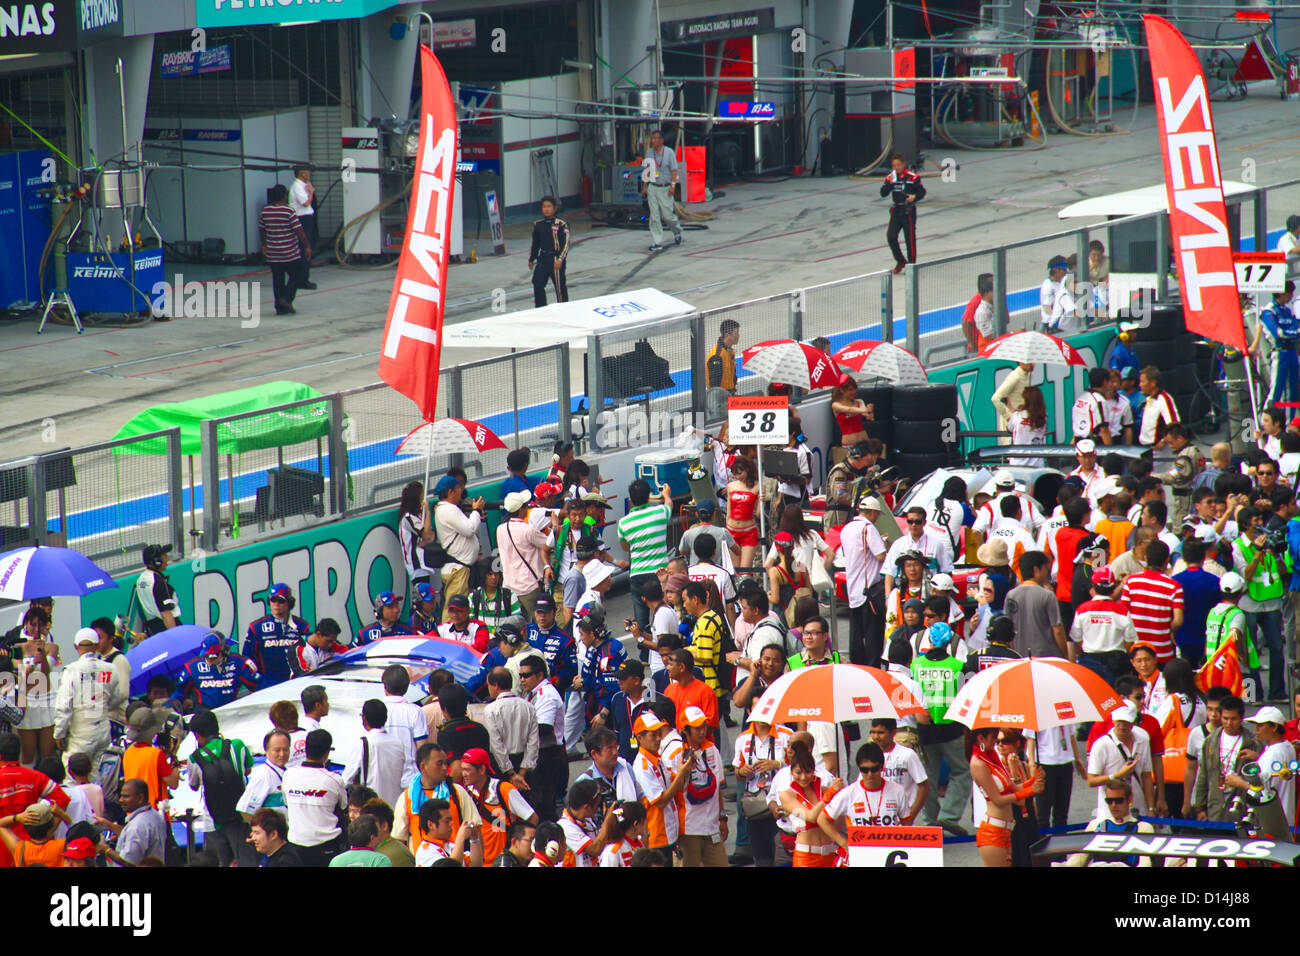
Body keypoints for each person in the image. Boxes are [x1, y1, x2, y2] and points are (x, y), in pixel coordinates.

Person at [911, 623, 970, 835]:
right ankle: (949, 816)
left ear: (929, 641)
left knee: (929, 777)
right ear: (949, 642)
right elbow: (967, 696)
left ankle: (929, 823)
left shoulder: (916, 665)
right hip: (951, 729)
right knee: (962, 772)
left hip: (924, 730)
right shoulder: (958, 666)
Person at [967, 727, 1045, 867]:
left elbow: (1012, 787)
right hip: (993, 831)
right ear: (981, 738)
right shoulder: (978, 763)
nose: (997, 741)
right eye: (994, 737)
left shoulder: (991, 756)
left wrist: (1034, 780)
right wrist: (1030, 790)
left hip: (1007, 828)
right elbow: (998, 800)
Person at [186, 709, 255, 867]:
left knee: (215, 863)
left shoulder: (194, 758)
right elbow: (248, 770)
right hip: (240, 818)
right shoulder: (237, 746)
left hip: (212, 821)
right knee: (247, 862)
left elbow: (194, 786)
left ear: (196, 735)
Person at [1232, 509, 1287, 700]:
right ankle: (1253, 695)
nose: (1260, 523)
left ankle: (1277, 692)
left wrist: (1277, 554)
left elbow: (1281, 571)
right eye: (1256, 520)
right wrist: (1257, 553)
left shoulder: (1268, 541)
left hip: (1271, 602)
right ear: (1246, 524)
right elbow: (1245, 574)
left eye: (1261, 519)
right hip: (1249, 603)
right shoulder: (1238, 546)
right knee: (1249, 651)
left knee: (1277, 648)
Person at [393, 741, 483, 853]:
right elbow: (399, 840)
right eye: (439, 763)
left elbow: (476, 829)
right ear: (423, 766)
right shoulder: (407, 798)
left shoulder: (457, 792)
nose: (445, 768)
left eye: (446, 763)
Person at [53, 628, 124, 765]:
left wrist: (59, 734)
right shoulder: (111, 668)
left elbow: (64, 706)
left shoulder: (71, 670)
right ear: (97, 646)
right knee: (101, 775)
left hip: (80, 735)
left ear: (75, 646)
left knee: (73, 776)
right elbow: (116, 699)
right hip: (103, 731)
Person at [459, 746, 537, 865]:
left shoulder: (504, 790)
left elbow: (532, 818)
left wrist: (518, 847)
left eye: (467, 769)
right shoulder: (467, 793)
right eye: (462, 769)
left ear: (481, 770)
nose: (463, 774)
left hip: (504, 862)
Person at [1064, 779, 1160, 867]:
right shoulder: (1096, 825)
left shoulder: (1142, 828)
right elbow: (1078, 859)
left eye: (1118, 801)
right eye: (1109, 801)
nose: (1113, 805)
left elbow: (1145, 863)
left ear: (1129, 799)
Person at [1190, 695, 1257, 822]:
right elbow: (1203, 774)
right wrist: (1200, 807)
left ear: (1241, 718)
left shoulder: (1252, 742)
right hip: (1215, 807)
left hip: (1241, 807)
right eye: (1225, 718)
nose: (1229, 723)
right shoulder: (1211, 741)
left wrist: (1257, 757)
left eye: (1233, 719)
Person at [840, 492, 888, 667]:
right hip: (870, 591)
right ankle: (872, 669)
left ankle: (857, 667)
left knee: (856, 635)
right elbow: (881, 555)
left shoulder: (846, 529)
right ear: (873, 513)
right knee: (873, 636)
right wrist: (887, 545)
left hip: (853, 589)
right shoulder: (868, 528)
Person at [1087, 701, 1156, 819]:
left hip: (1139, 808)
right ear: (1113, 720)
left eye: (1126, 721)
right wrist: (1118, 775)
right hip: (1110, 812)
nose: (1121, 725)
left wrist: (1150, 808)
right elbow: (1091, 780)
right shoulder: (1101, 745)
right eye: (1118, 721)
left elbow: (1146, 776)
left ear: (1133, 722)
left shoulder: (1143, 739)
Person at [1120, 539, 1183, 666]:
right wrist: (1162, 627)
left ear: (1145, 558)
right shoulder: (1174, 586)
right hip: (1162, 652)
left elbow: (1123, 615)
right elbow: (1178, 621)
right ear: (1166, 561)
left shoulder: (1131, 582)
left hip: (1136, 653)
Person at [677, 705, 727, 866]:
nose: (702, 731)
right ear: (685, 730)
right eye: (697, 728)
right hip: (689, 829)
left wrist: (723, 818)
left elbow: (718, 787)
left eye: (703, 726)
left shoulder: (712, 749)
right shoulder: (677, 753)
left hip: (712, 827)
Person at [1070, 567, 1136, 686]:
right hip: (1117, 662)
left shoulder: (1082, 610)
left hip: (1090, 661)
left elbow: (1077, 640)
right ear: (1113, 588)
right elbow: (1129, 641)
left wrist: (1082, 656)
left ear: (1093, 587)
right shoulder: (1122, 611)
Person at [339, 699, 405, 809]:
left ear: (364, 719)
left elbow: (346, 779)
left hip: (371, 808)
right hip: (394, 807)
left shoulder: (364, 743)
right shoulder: (398, 743)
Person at [498, 490, 554, 617]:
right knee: (538, 622)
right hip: (529, 586)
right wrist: (555, 527)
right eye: (526, 505)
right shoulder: (528, 530)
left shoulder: (500, 529)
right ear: (521, 510)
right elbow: (549, 544)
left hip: (509, 587)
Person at [243, 583, 310, 688]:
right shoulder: (256, 627)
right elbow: (247, 659)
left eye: (281, 601)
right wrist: (259, 683)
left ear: (290, 603)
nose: (276, 604)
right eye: (273, 600)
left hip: (296, 683)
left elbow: (311, 653)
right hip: (268, 686)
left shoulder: (302, 626)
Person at [1004, 551, 1068, 659]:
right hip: (1047, 656)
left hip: (1021, 655)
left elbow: (1008, 629)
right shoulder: (1047, 595)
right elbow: (1057, 629)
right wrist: (1065, 654)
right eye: (1046, 569)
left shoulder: (1011, 595)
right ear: (1036, 570)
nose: (1047, 573)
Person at [483, 668, 539, 789]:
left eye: (489, 685)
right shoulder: (528, 706)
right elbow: (533, 742)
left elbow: (496, 744)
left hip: (500, 766)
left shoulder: (491, 709)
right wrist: (522, 772)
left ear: (496, 685)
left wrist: (511, 773)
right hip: (523, 763)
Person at [259, 183, 308, 314]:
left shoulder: (265, 211)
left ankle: (279, 307)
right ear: (284, 196)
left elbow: (262, 230)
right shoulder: (289, 211)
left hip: (273, 253)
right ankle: (286, 299)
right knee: (297, 275)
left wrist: (264, 245)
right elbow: (299, 231)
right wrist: (307, 245)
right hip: (290, 252)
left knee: (278, 279)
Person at [870, 719, 929, 825]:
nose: (876, 737)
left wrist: (911, 816)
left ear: (893, 733)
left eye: (880, 733)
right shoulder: (868, 755)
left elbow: (924, 786)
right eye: (873, 732)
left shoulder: (907, 755)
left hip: (901, 818)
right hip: (876, 818)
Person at [102, 778, 166, 866]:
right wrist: (109, 824)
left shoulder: (137, 826)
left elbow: (128, 861)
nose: (121, 800)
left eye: (126, 796)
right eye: (121, 796)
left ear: (140, 798)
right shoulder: (155, 816)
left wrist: (106, 850)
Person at [880, 152, 925, 273]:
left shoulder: (913, 177)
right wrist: (889, 183)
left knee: (910, 239)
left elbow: (922, 192)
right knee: (891, 237)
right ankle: (900, 260)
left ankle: (911, 265)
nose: (896, 168)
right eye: (894, 165)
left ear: (903, 164)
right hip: (896, 210)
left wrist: (914, 197)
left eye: (898, 165)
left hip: (908, 211)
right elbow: (883, 193)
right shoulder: (891, 177)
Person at [1261, 282, 1300, 404]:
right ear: (1282, 293)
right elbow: (1278, 333)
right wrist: (1293, 333)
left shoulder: (1287, 311)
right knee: (1276, 389)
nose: (1291, 296)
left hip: (1292, 352)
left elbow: (1296, 328)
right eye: (1290, 293)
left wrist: (1292, 333)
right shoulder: (1269, 311)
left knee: (1293, 390)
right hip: (1279, 352)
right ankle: (1266, 420)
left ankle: (1290, 422)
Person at [415, 797, 483, 866]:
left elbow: (476, 864)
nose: (451, 824)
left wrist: (474, 839)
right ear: (430, 825)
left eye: (451, 820)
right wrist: (460, 838)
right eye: (446, 821)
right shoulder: (425, 852)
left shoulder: (450, 846)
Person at [0, 800, 70, 867]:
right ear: (51, 825)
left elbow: (1, 825)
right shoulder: (62, 846)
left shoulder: (20, 848)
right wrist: (63, 815)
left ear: (25, 826)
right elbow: (79, 833)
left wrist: (17, 817)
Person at [528, 195, 570, 306]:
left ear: (554, 208)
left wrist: (560, 259)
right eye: (544, 206)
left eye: (549, 206)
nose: (546, 209)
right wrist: (532, 258)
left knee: (559, 286)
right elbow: (535, 243)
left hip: (556, 258)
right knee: (537, 283)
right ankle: (541, 308)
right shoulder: (538, 224)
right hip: (543, 258)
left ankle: (564, 308)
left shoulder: (561, 224)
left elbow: (565, 244)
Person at [135, 544, 179, 635]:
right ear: (157, 561)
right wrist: (175, 635)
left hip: (153, 628)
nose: (167, 559)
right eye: (164, 556)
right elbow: (165, 613)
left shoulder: (141, 579)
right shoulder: (158, 582)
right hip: (165, 627)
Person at [288, 164, 317, 288]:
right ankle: (302, 279)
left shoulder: (302, 186)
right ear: (302, 174)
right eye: (308, 172)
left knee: (307, 247)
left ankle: (304, 277)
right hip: (302, 219)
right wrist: (311, 192)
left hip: (307, 218)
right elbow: (305, 203)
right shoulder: (297, 187)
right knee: (304, 248)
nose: (309, 174)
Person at [1138, 366, 1181, 449]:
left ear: (1152, 383)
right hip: (1144, 447)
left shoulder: (1164, 399)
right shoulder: (1149, 399)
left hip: (1159, 449)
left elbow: (1174, 424)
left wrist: (1163, 441)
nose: (1140, 385)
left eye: (1142, 382)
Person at [831, 373, 873, 447]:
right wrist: (865, 410)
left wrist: (870, 412)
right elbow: (849, 409)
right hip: (849, 444)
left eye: (854, 389)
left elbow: (867, 416)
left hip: (865, 442)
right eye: (850, 389)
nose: (853, 392)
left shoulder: (859, 401)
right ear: (842, 390)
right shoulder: (836, 405)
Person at [1040, 255, 1077, 332]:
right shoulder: (1048, 287)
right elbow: (1047, 308)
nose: (1066, 272)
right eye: (1064, 270)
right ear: (1056, 270)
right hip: (1053, 325)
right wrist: (1052, 323)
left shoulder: (1060, 281)